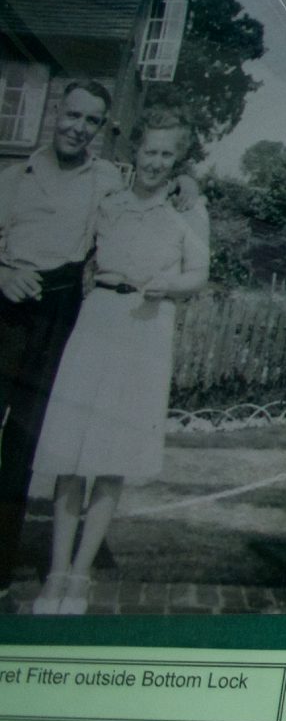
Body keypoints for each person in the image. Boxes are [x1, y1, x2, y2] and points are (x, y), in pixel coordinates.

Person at [27, 109, 209, 615]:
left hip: (147, 328)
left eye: (167, 154)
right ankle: (55, 573)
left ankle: (80, 577)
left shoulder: (189, 210)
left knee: (111, 458)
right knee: (71, 453)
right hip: (99, 320)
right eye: (149, 150)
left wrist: (169, 284)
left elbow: (198, 273)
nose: (156, 162)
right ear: (136, 151)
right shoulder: (108, 200)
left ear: (178, 159)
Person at [1, 81, 124, 569]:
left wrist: (187, 184)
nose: (79, 128)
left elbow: (147, 200)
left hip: (60, 313)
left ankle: (1, 560)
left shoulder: (107, 180)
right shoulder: (14, 177)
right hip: (7, 307)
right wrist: (3, 274)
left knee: (25, 438)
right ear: (57, 110)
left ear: (101, 127)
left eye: (91, 121)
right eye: (73, 115)